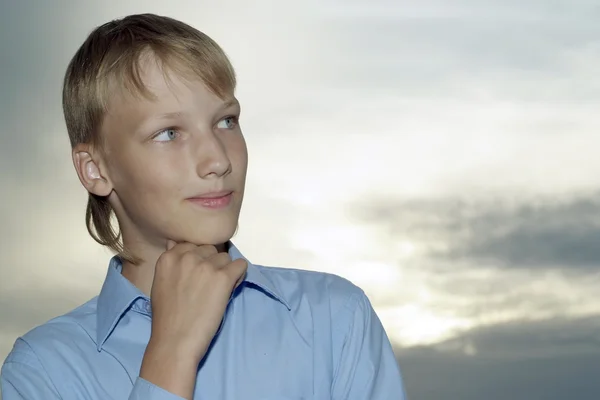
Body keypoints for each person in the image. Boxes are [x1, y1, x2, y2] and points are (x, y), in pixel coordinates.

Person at [0, 13, 407, 400]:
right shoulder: (42, 373)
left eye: (226, 121)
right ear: (95, 169)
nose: (218, 160)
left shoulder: (333, 319)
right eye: (169, 132)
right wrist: (171, 355)